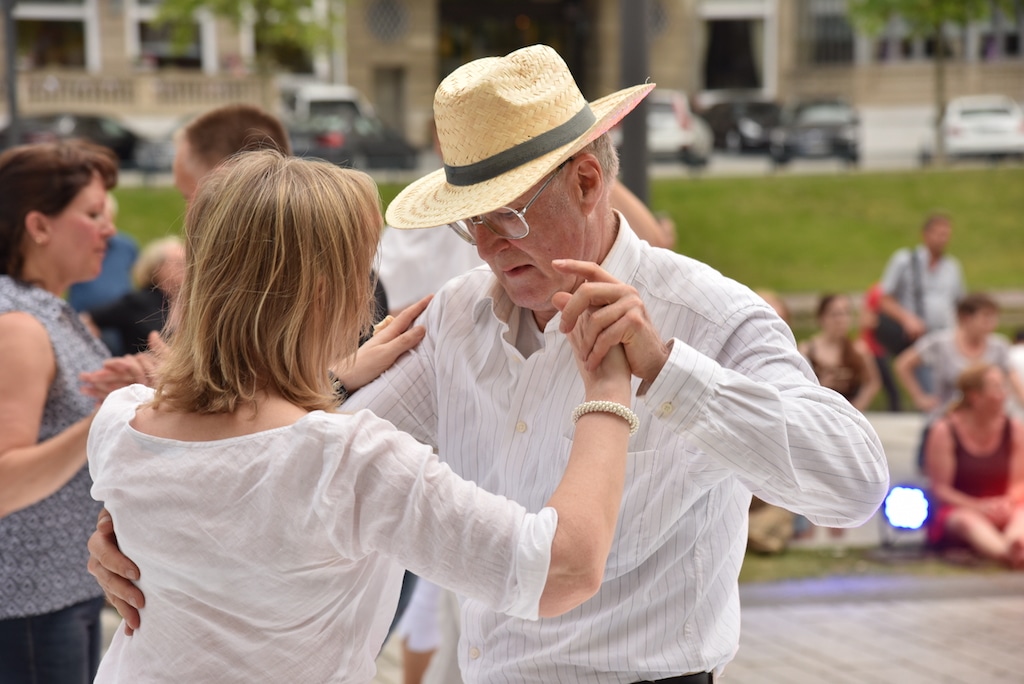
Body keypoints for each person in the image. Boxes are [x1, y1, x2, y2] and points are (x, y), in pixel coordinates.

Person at [89, 44, 889, 682]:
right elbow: (284, 473)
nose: (488, 247)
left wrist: (671, 374)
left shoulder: (708, 317)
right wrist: (140, 520)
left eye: (506, 215)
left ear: (585, 181)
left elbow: (853, 485)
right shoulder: (457, 318)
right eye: (469, 223)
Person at [87, 150, 636, 681]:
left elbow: (233, 459)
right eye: (363, 271)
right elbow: (560, 571)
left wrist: (333, 379)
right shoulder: (347, 461)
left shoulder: (119, 422)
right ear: (324, 294)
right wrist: (609, 391)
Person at [0, 140, 119, 682]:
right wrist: (105, 418)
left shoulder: (48, 309)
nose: (108, 229)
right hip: (27, 605)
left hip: (60, 591)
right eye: (92, 214)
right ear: (38, 226)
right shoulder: (19, 326)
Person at [923, 363, 1024, 568]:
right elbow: (940, 489)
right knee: (967, 521)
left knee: (1020, 515)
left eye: (1003, 388)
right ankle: (1006, 553)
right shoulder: (945, 430)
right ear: (975, 396)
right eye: (996, 388)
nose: (1004, 395)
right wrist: (979, 506)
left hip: (1004, 505)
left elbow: (1018, 481)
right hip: (960, 508)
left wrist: (1006, 502)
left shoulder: (1014, 428)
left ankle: (1016, 543)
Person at [878, 212, 966, 392]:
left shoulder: (952, 267)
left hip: (946, 339)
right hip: (918, 340)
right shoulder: (905, 261)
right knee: (930, 388)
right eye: (938, 234)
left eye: (946, 235)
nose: (943, 239)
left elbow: (960, 304)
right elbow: (885, 300)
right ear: (925, 235)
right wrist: (907, 319)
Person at [83, 236, 185, 354]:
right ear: (157, 268)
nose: (187, 268)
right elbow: (88, 319)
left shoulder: (192, 303)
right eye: (179, 263)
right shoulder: (138, 301)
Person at [799, 293, 881, 412]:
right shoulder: (807, 350)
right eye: (835, 315)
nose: (841, 320)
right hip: (816, 413)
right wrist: (820, 387)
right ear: (822, 318)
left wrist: (857, 406)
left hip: (847, 416)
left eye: (845, 313)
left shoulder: (858, 350)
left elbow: (873, 382)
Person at [860, 281, 902, 411]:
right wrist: (885, 326)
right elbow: (866, 320)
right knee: (885, 386)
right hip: (873, 349)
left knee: (887, 387)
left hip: (881, 349)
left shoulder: (888, 292)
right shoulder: (878, 293)